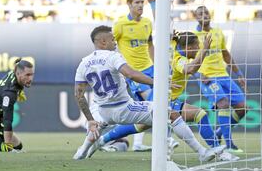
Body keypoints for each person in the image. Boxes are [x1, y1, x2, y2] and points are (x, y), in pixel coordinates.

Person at [72, 25, 224, 161]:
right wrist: (158, 82)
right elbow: (130, 74)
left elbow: (78, 94)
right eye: (112, 39)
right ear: (103, 42)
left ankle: (81, 152)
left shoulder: (83, 63)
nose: (115, 42)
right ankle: (201, 151)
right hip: (124, 108)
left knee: (97, 125)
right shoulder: (113, 57)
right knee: (169, 114)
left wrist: (90, 119)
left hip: (103, 110)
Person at [170, 31, 239, 161]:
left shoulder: (174, 44)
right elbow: (190, 69)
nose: (198, 50)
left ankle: (216, 151)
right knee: (199, 114)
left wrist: (171, 36)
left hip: (168, 98)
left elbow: (173, 39)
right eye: (197, 47)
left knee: (138, 125)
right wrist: (205, 49)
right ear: (189, 48)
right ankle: (217, 152)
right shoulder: (178, 59)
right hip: (164, 100)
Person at [193, 6, 247, 153]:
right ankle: (229, 145)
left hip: (223, 75)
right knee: (223, 104)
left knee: (243, 107)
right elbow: (187, 58)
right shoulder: (194, 36)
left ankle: (218, 133)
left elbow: (226, 55)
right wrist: (198, 75)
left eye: (206, 12)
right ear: (195, 17)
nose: (204, 15)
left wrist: (239, 74)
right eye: (200, 13)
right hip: (207, 78)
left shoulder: (217, 32)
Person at [108, 0, 155, 152]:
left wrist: (157, 66)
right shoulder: (120, 24)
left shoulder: (147, 22)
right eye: (137, 2)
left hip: (150, 68)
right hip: (134, 73)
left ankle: (137, 143)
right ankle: (167, 139)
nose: (140, 5)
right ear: (129, 4)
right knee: (153, 103)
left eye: (142, 2)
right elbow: (108, 44)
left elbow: (150, 44)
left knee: (146, 105)